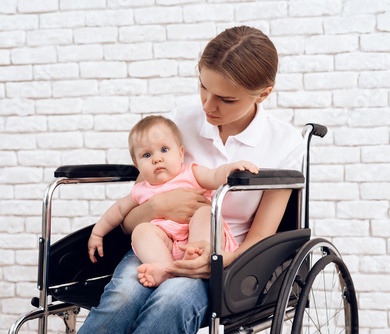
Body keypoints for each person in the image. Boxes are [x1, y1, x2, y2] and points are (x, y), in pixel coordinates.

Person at [78, 25, 304, 334]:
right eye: (203, 88)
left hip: (223, 254)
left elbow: (260, 237)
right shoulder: (180, 122)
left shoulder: (285, 142)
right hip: (157, 241)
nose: (208, 106)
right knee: (123, 297)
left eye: (226, 99)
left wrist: (219, 261)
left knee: (172, 301)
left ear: (263, 94)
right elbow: (131, 222)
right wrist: (159, 205)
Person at [88, 115, 259, 288]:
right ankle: (166, 269)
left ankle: (197, 255)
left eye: (164, 150)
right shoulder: (141, 190)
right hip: (167, 247)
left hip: (203, 239)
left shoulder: (190, 174)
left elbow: (214, 176)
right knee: (141, 230)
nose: (157, 159)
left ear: (180, 153)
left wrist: (229, 169)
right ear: (137, 165)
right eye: (147, 155)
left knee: (205, 213)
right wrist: (97, 233)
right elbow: (117, 210)